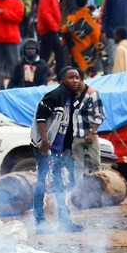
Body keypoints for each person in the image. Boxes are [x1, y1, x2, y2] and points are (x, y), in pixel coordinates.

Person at [31, 67, 85, 233]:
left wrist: (65, 149)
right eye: (71, 77)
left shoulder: (72, 99)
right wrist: (45, 141)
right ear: (62, 80)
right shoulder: (55, 95)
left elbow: (67, 126)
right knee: (42, 183)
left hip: (58, 149)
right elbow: (41, 117)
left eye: (77, 78)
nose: (75, 81)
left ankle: (64, 221)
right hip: (44, 147)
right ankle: (39, 223)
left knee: (60, 184)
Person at [71, 79, 105, 184]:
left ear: (80, 79)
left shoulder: (92, 94)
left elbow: (100, 115)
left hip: (90, 135)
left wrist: (92, 133)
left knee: (95, 163)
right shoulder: (72, 95)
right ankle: (78, 190)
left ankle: (98, 187)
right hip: (76, 135)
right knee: (77, 165)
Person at [61, 0, 101, 72]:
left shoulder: (73, 16)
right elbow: (96, 33)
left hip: (77, 49)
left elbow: (67, 29)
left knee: (78, 71)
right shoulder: (91, 16)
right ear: (86, 2)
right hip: (90, 48)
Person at [37, 0, 65, 79]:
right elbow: (45, 14)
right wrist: (55, 28)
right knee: (59, 53)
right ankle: (60, 77)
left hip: (49, 29)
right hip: (49, 29)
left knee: (44, 55)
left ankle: (40, 77)